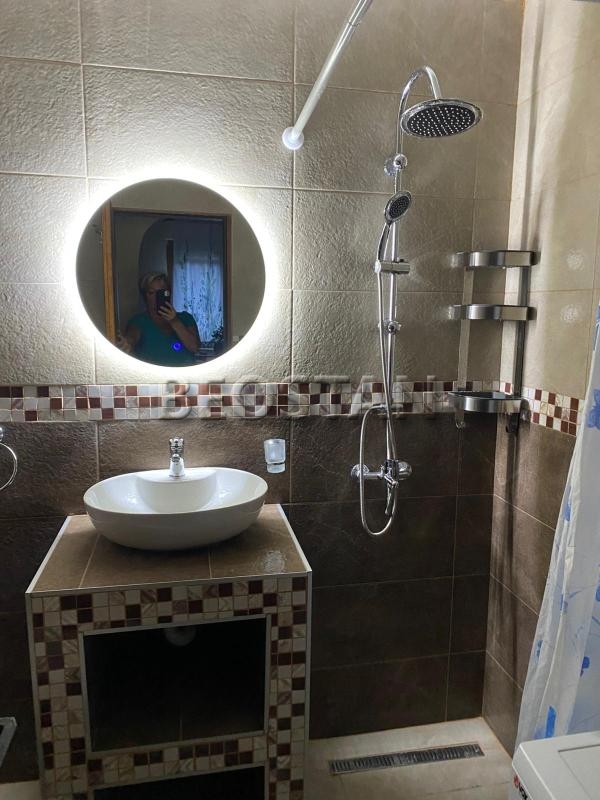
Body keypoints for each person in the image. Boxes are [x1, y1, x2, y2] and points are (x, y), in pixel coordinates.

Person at [118, 272, 200, 366]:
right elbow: (132, 336)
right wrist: (127, 343)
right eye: (151, 293)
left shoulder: (185, 318)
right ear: (145, 296)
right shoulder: (139, 321)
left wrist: (174, 321)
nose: (156, 297)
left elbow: (194, 347)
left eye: (161, 292)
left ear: (168, 294)